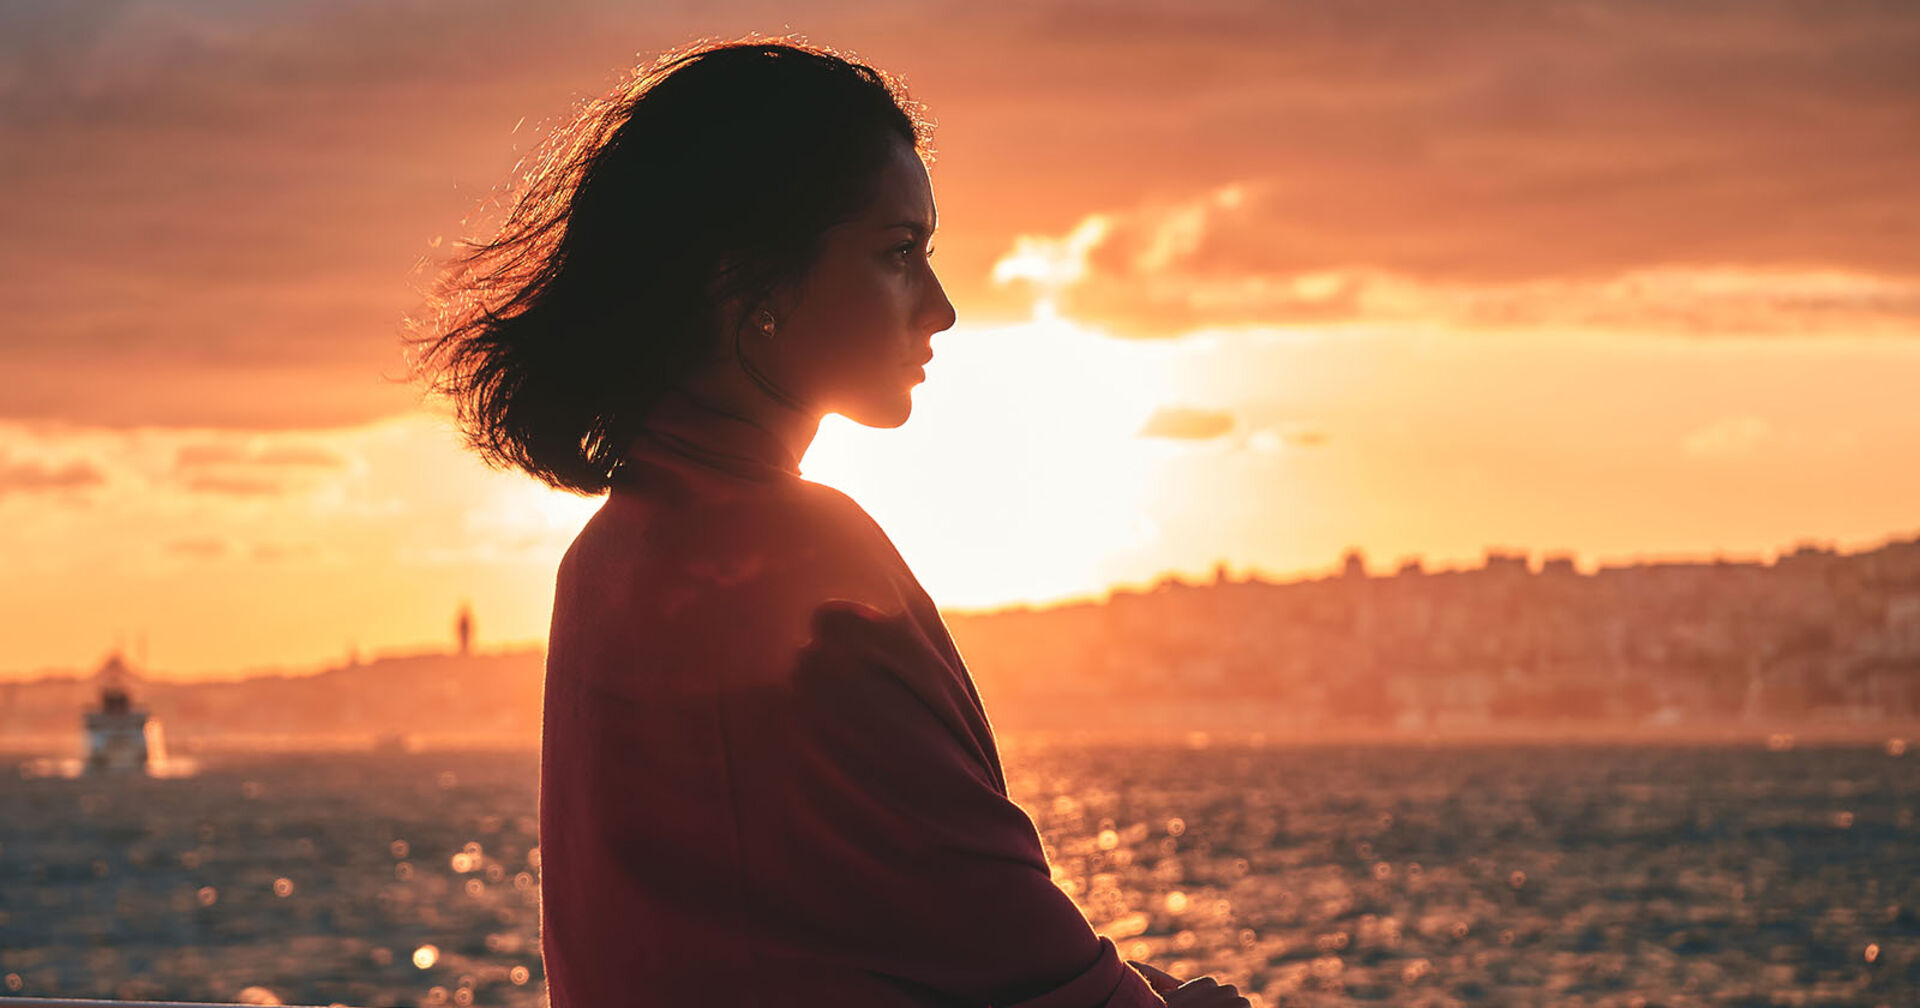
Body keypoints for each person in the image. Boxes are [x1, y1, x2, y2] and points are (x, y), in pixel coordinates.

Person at [413, 39, 1250, 1008]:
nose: (941, 309)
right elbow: (1005, 936)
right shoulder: (803, 560)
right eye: (899, 254)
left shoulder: (604, 556)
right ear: (752, 287)